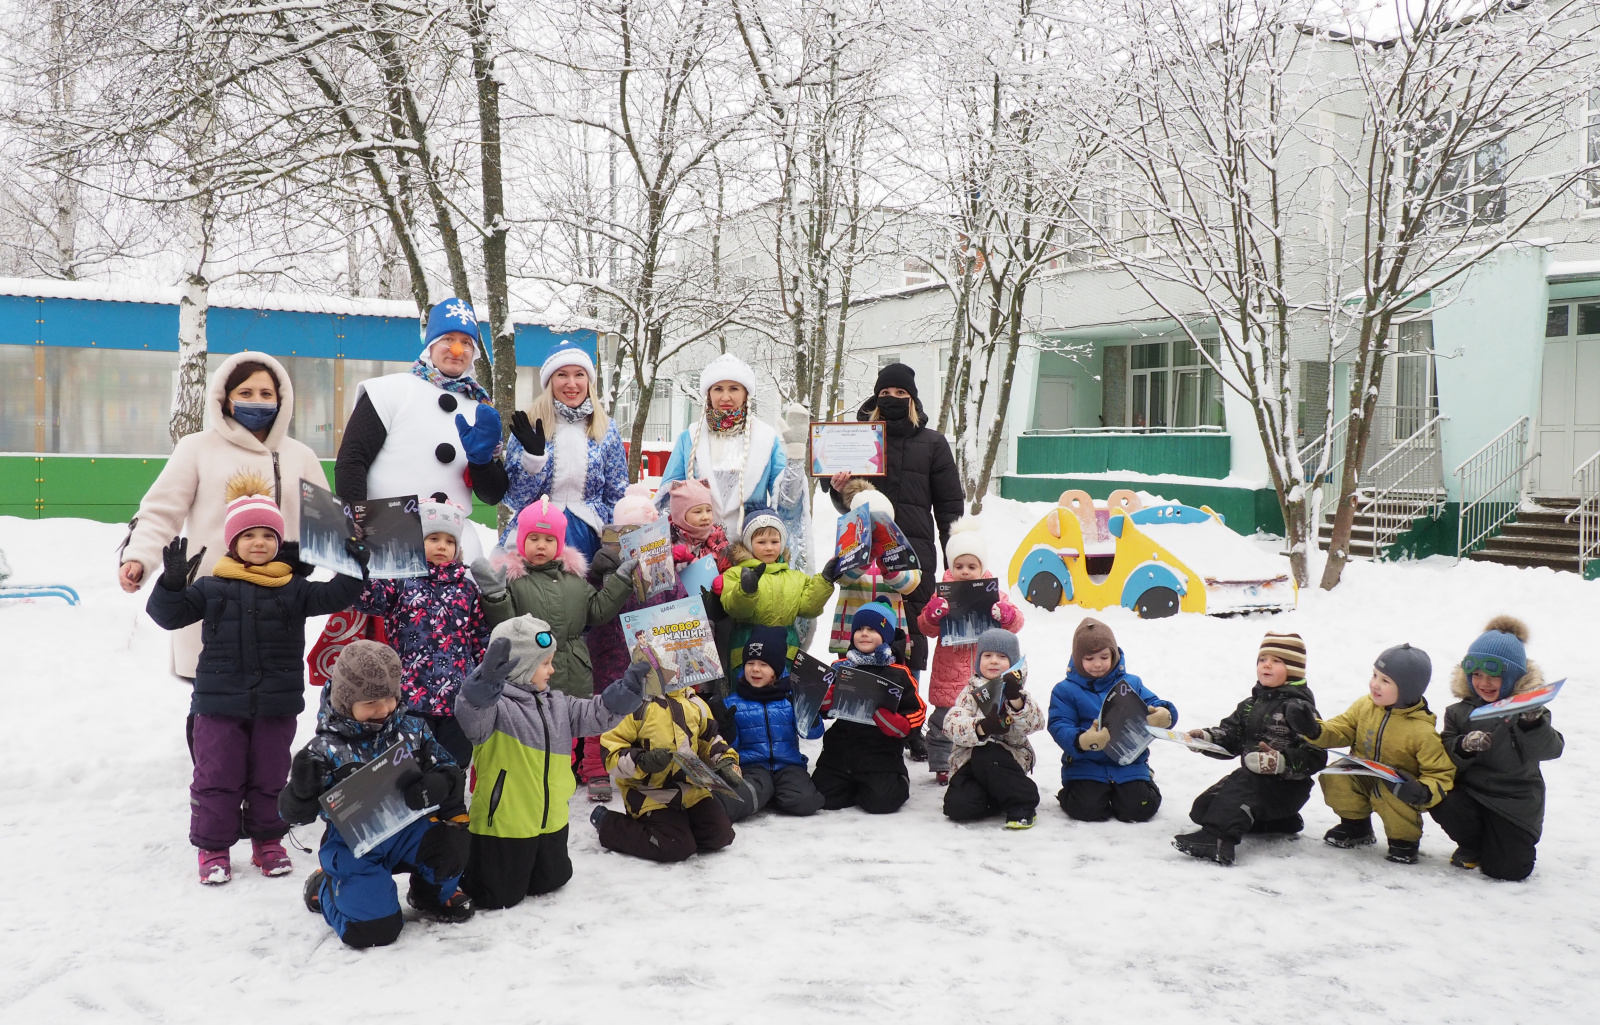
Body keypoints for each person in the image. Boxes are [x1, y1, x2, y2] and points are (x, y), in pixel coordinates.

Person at [145, 472, 368, 884]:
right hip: (218, 704)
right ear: (233, 543)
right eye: (249, 535)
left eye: (268, 535)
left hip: (275, 703)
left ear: (279, 543)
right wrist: (172, 583)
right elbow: (167, 615)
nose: (260, 542)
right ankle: (213, 848)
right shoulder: (213, 587)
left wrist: (354, 565)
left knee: (269, 776)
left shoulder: (295, 588)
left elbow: (336, 595)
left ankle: (268, 842)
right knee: (217, 777)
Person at [118, 351, 327, 680]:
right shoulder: (197, 448)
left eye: (266, 394)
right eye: (245, 393)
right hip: (210, 593)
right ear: (225, 399)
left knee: (272, 693)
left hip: (278, 597)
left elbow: (326, 525)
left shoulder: (300, 456)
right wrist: (139, 557)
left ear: (281, 400)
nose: (256, 401)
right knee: (210, 698)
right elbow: (161, 511)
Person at [278, 641, 474, 948]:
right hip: (355, 843)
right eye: (371, 701)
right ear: (346, 700)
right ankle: (328, 889)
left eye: (389, 697)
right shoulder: (325, 750)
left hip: (407, 828)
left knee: (451, 840)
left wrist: (439, 782)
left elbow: (448, 765)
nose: (383, 708)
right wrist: (301, 791)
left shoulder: (412, 728)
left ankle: (430, 894)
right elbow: (291, 815)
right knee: (373, 932)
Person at [454, 620, 649, 910]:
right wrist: (483, 686)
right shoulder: (495, 709)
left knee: (552, 880)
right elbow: (471, 713)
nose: (552, 670)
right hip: (506, 824)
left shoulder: (557, 704)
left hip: (551, 821)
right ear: (520, 666)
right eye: (545, 663)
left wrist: (625, 692)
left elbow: (595, 713)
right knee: (497, 895)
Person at [335, 297, 508, 563]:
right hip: (388, 539)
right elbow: (352, 460)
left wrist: (482, 461)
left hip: (454, 547)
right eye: (448, 339)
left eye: (466, 343)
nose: (457, 350)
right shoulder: (389, 392)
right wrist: (355, 524)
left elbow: (492, 494)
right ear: (430, 344)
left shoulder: (481, 409)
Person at [821, 362, 964, 678]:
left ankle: (906, 718)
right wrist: (838, 489)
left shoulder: (933, 444)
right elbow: (850, 507)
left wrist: (956, 562)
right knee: (862, 635)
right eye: (885, 392)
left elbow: (950, 508)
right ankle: (855, 713)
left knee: (908, 638)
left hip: (914, 556)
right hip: (863, 559)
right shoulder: (857, 440)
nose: (892, 397)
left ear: (912, 399)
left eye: (900, 392)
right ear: (875, 398)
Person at [1287, 643, 1456, 865]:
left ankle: (1403, 841)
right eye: (1375, 675)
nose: (1375, 684)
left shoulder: (1421, 730)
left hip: (1400, 788)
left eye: (1385, 681)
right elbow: (1342, 728)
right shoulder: (1364, 706)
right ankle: (1356, 826)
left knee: (1390, 793)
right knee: (1335, 777)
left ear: (1407, 689)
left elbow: (1441, 772)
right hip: (1364, 772)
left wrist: (1423, 791)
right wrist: (1314, 729)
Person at [350, 499, 488, 767]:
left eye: (450, 541)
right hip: (411, 697)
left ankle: (452, 808)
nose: (441, 546)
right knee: (412, 767)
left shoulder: (467, 589)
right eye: (433, 538)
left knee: (454, 764)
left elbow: (480, 636)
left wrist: (485, 678)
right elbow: (366, 598)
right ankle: (420, 809)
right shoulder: (399, 582)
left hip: (457, 701)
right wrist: (356, 562)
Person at [1171, 632, 1327, 866]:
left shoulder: (1299, 708)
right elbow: (1232, 735)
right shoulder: (1250, 705)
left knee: (1237, 791)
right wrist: (1205, 739)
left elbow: (1316, 755)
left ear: (1293, 669)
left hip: (1287, 787)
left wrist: (1280, 762)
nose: (1266, 664)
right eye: (1262, 659)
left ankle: (1218, 842)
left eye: (1277, 661)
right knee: (1202, 809)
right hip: (1253, 781)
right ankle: (1280, 822)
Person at [1431, 616, 1563, 881]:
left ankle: (1498, 847)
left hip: (1515, 805)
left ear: (1513, 676)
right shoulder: (1458, 713)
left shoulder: (1530, 710)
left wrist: (1532, 723)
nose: (1485, 682)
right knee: (1439, 795)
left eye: (1495, 675)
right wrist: (1464, 746)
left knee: (1508, 871)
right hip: (1471, 796)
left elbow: (1551, 749)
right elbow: (1444, 758)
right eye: (1477, 674)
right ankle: (1473, 844)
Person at [471, 498, 636, 700]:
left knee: (573, 726)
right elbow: (507, 626)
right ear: (522, 540)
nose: (541, 546)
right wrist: (496, 597)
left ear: (559, 544)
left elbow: (597, 612)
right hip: (530, 675)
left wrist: (622, 581)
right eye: (534, 538)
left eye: (549, 540)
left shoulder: (574, 579)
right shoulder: (512, 581)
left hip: (575, 675)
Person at [580, 482, 683, 801]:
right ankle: (595, 768)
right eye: (627, 531)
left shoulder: (664, 568)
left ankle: (645, 760)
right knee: (602, 709)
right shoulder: (601, 566)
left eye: (642, 530)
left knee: (649, 710)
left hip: (648, 652)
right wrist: (597, 574)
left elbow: (678, 602)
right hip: (609, 650)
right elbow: (588, 606)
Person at [917, 516, 1024, 784]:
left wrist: (1006, 614)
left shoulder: (993, 593)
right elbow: (926, 628)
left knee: (983, 716)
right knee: (944, 720)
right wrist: (932, 615)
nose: (965, 571)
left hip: (984, 672)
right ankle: (942, 763)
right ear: (951, 567)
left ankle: (985, 757)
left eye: (972, 566)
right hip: (948, 675)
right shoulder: (942, 594)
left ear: (982, 567)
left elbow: (1017, 624)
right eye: (959, 565)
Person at [500, 340, 630, 559]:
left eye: (579, 374)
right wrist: (533, 461)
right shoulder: (529, 425)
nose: (571, 383)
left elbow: (617, 493)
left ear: (589, 380)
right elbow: (513, 499)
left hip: (591, 534)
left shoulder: (606, 429)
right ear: (550, 381)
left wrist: (621, 539)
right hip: (539, 533)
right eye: (562, 375)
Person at [593, 681, 742, 863]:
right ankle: (608, 823)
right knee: (675, 847)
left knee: (720, 835)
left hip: (692, 790)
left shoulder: (694, 702)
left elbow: (709, 740)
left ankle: (679, 827)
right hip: (649, 794)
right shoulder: (635, 703)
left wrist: (726, 760)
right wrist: (641, 760)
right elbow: (611, 754)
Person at [1047, 618, 1177, 824]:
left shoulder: (1130, 683)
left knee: (1139, 809)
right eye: (1089, 658)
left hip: (1129, 762)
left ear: (1114, 655)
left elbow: (1154, 703)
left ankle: (1144, 780)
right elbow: (1058, 724)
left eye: (1104, 656)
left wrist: (1164, 714)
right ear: (1077, 658)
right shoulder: (1065, 690)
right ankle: (1071, 792)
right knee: (1087, 810)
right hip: (1086, 764)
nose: (1097, 664)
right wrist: (1082, 740)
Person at [811, 603, 927, 815]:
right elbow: (821, 711)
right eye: (859, 629)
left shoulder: (898, 672)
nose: (864, 634)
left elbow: (917, 711)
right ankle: (853, 784)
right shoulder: (841, 667)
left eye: (872, 629)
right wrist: (825, 701)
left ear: (886, 635)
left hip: (880, 755)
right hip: (838, 755)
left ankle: (897, 779)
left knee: (882, 803)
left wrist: (899, 723)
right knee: (821, 798)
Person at [658, 353, 786, 533]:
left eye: (734, 388)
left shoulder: (766, 438)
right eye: (718, 389)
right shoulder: (689, 437)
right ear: (709, 394)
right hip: (700, 551)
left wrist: (796, 455)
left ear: (745, 393)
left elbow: (786, 501)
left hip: (750, 551)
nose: (725, 397)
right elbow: (668, 497)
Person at [711, 626, 827, 823]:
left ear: (777, 669)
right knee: (743, 795)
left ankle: (774, 794)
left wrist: (811, 713)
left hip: (789, 765)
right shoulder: (733, 703)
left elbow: (812, 733)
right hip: (752, 767)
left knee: (805, 801)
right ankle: (736, 801)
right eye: (750, 663)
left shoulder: (791, 698)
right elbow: (731, 746)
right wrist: (726, 727)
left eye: (764, 664)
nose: (755, 669)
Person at [941, 629, 1045, 829]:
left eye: (1002, 656)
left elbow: (1036, 723)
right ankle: (998, 797)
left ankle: (1023, 802)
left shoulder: (1018, 693)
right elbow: (951, 723)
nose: (994, 661)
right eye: (987, 656)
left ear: (1013, 662)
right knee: (957, 807)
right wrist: (981, 728)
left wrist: (1016, 700)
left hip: (1008, 760)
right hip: (969, 761)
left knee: (987, 754)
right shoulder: (970, 693)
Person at [718, 508, 838, 674]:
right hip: (748, 644)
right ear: (748, 544)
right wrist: (747, 590)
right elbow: (736, 610)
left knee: (783, 695)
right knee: (745, 695)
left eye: (774, 542)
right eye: (761, 542)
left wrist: (825, 580)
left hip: (786, 646)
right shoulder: (736, 574)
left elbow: (808, 609)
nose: (769, 548)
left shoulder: (795, 577)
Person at [666, 478, 733, 571]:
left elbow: (727, 570)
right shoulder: (665, 541)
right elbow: (651, 577)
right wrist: (669, 562)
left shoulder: (717, 540)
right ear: (680, 515)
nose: (705, 517)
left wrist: (723, 581)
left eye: (708, 510)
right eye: (698, 512)